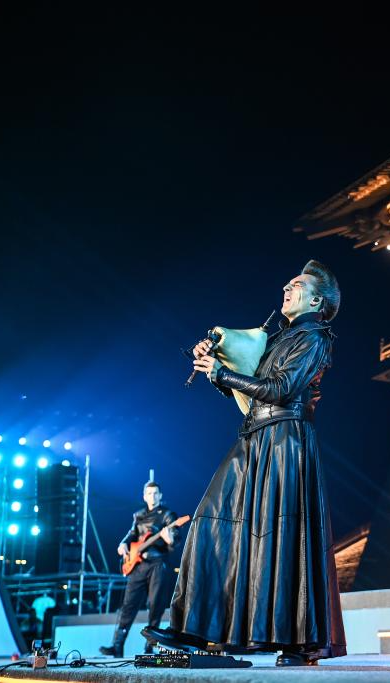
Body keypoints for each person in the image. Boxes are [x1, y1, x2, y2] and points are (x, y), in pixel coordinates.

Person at [146, 260, 346, 666]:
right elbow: (252, 391)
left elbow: (281, 388)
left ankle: (294, 641)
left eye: (297, 285)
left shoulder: (315, 338)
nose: (286, 288)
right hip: (254, 437)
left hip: (286, 441)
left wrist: (223, 373)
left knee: (282, 537)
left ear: (316, 301)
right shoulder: (278, 338)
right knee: (211, 520)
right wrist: (215, 369)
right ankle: (195, 629)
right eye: (288, 282)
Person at [98, 480, 177, 657]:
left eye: (155, 493)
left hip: (157, 564)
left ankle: (150, 646)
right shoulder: (139, 515)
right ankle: (117, 646)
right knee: (128, 605)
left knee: (155, 605)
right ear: (144, 496)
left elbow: (174, 540)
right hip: (138, 565)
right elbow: (131, 534)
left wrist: (169, 539)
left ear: (160, 496)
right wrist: (123, 544)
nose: (152, 497)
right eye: (149, 493)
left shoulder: (167, 515)